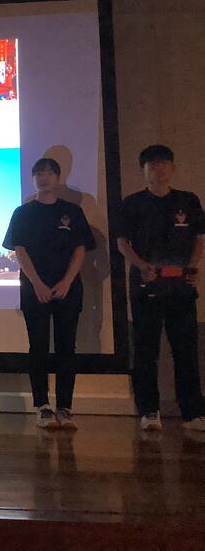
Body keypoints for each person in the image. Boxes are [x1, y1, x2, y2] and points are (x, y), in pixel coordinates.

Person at [116, 144, 205, 432]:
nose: (159, 168)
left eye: (164, 163)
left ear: (173, 167)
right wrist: (142, 266)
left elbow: (199, 238)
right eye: (152, 164)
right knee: (145, 350)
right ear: (142, 170)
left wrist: (192, 267)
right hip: (146, 284)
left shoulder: (188, 200)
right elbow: (122, 242)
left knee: (186, 350)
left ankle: (192, 412)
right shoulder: (132, 203)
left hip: (181, 286)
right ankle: (149, 411)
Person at [3, 158, 95, 429]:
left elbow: (80, 248)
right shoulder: (23, 213)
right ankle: (42, 406)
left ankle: (65, 407)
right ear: (34, 179)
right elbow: (19, 250)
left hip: (68, 288)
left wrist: (67, 281)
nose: (44, 178)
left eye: (49, 173)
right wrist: (37, 284)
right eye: (39, 174)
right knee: (38, 347)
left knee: (67, 348)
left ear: (58, 177)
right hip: (35, 290)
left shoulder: (72, 211)